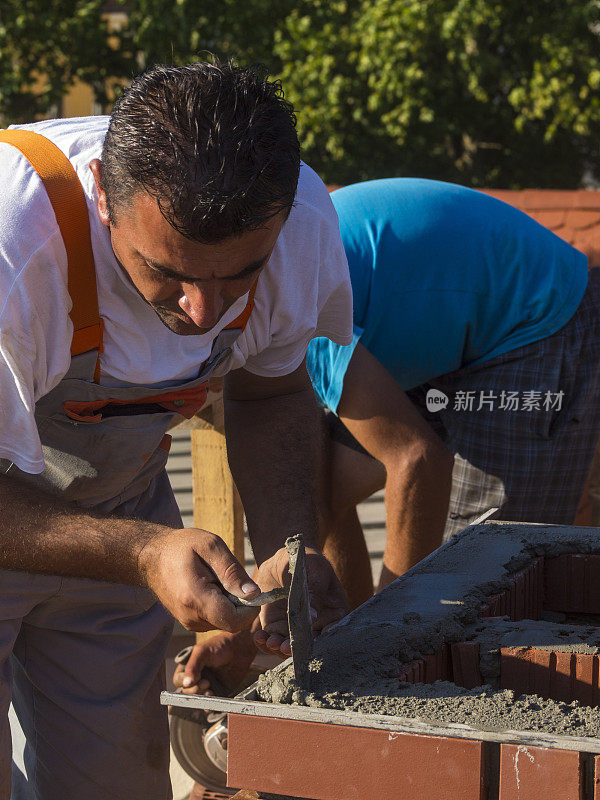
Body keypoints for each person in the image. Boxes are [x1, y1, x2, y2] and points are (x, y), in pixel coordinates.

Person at [0, 60, 351, 799]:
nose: (204, 312)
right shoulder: (16, 242)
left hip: (117, 530)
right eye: (166, 273)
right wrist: (145, 552)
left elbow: (268, 393)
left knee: (114, 781)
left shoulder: (300, 225)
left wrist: (288, 549)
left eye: (237, 277)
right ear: (102, 197)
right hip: (114, 540)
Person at [178, 177, 600, 724]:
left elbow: (416, 460)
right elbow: (308, 499)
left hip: (538, 321)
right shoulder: (249, 294)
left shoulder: (292, 313)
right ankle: (348, 654)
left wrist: (390, 636)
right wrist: (257, 630)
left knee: (478, 590)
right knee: (319, 481)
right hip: (453, 328)